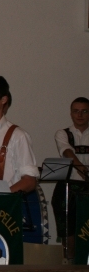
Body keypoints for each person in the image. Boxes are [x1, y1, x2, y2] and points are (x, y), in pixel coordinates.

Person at [52, 97, 89, 258]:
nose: (79, 115)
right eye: (76, 111)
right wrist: (81, 167)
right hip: (68, 188)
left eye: (84, 111)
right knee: (68, 233)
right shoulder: (63, 133)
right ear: (71, 113)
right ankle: (70, 265)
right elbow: (66, 151)